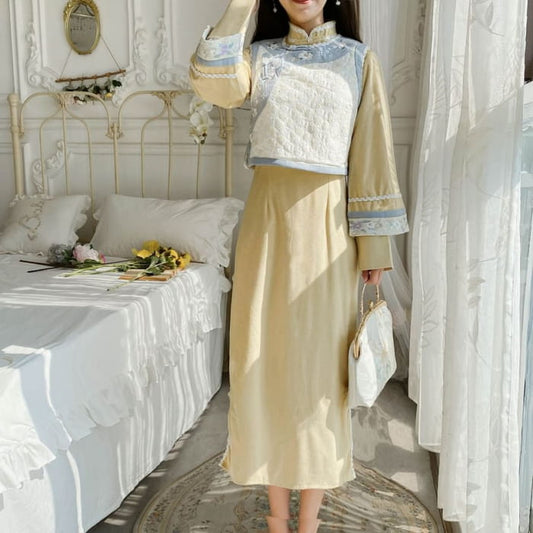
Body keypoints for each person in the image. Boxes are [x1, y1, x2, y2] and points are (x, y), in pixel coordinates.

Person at [189, 1, 408, 531]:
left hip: (329, 240)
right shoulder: (258, 59)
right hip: (266, 235)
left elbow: (372, 155)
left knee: (318, 380)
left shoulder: (358, 59)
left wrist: (374, 248)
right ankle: (276, 517)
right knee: (262, 369)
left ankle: (307, 521)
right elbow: (211, 82)